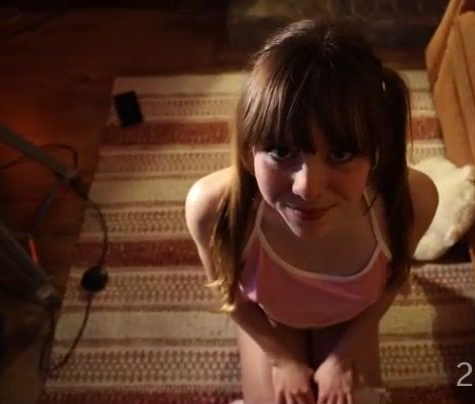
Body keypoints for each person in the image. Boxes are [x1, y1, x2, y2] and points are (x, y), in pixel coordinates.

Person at [185, 19, 438, 404]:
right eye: (282, 152)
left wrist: (341, 357)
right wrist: (282, 360)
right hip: (273, 321)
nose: (307, 188)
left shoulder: (411, 200)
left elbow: (392, 283)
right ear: (248, 152)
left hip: (350, 320)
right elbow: (232, 296)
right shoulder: (212, 208)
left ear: (375, 154)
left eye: (341, 154)